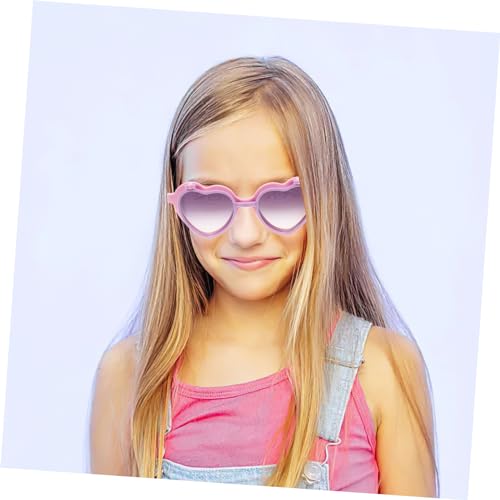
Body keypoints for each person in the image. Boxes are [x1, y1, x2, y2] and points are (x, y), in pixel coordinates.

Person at [89, 56, 439, 496]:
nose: (246, 235)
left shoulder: (384, 369)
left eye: (281, 200)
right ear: (176, 205)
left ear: (325, 199)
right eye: (209, 202)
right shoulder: (129, 376)